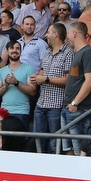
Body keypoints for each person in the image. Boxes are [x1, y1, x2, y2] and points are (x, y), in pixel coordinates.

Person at [30, 23, 73, 153]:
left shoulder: (68, 52)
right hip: (41, 102)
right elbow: (42, 72)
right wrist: (36, 79)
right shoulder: (47, 52)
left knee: (55, 143)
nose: (45, 35)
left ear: (56, 34)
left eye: (48, 32)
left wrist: (45, 79)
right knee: (38, 140)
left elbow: (69, 80)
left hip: (57, 104)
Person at [61, 22, 91, 155]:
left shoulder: (88, 52)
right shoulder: (78, 53)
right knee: (68, 149)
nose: (68, 36)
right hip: (69, 108)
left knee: (79, 151)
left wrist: (75, 103)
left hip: (79, 109)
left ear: (74, 33)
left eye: (69, 33)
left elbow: (90, 82)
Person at [0, 40, 36, 128]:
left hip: (22, 111)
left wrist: (16, 83)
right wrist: (5, 85)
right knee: (5, 140)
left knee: (21, 140)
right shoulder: (2, 71)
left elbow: (33, 91)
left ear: (21, 51)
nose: (14, 50)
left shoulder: (28, 69)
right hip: (5, 112)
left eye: (17, 48)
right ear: (7, 51)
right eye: (12, 48)